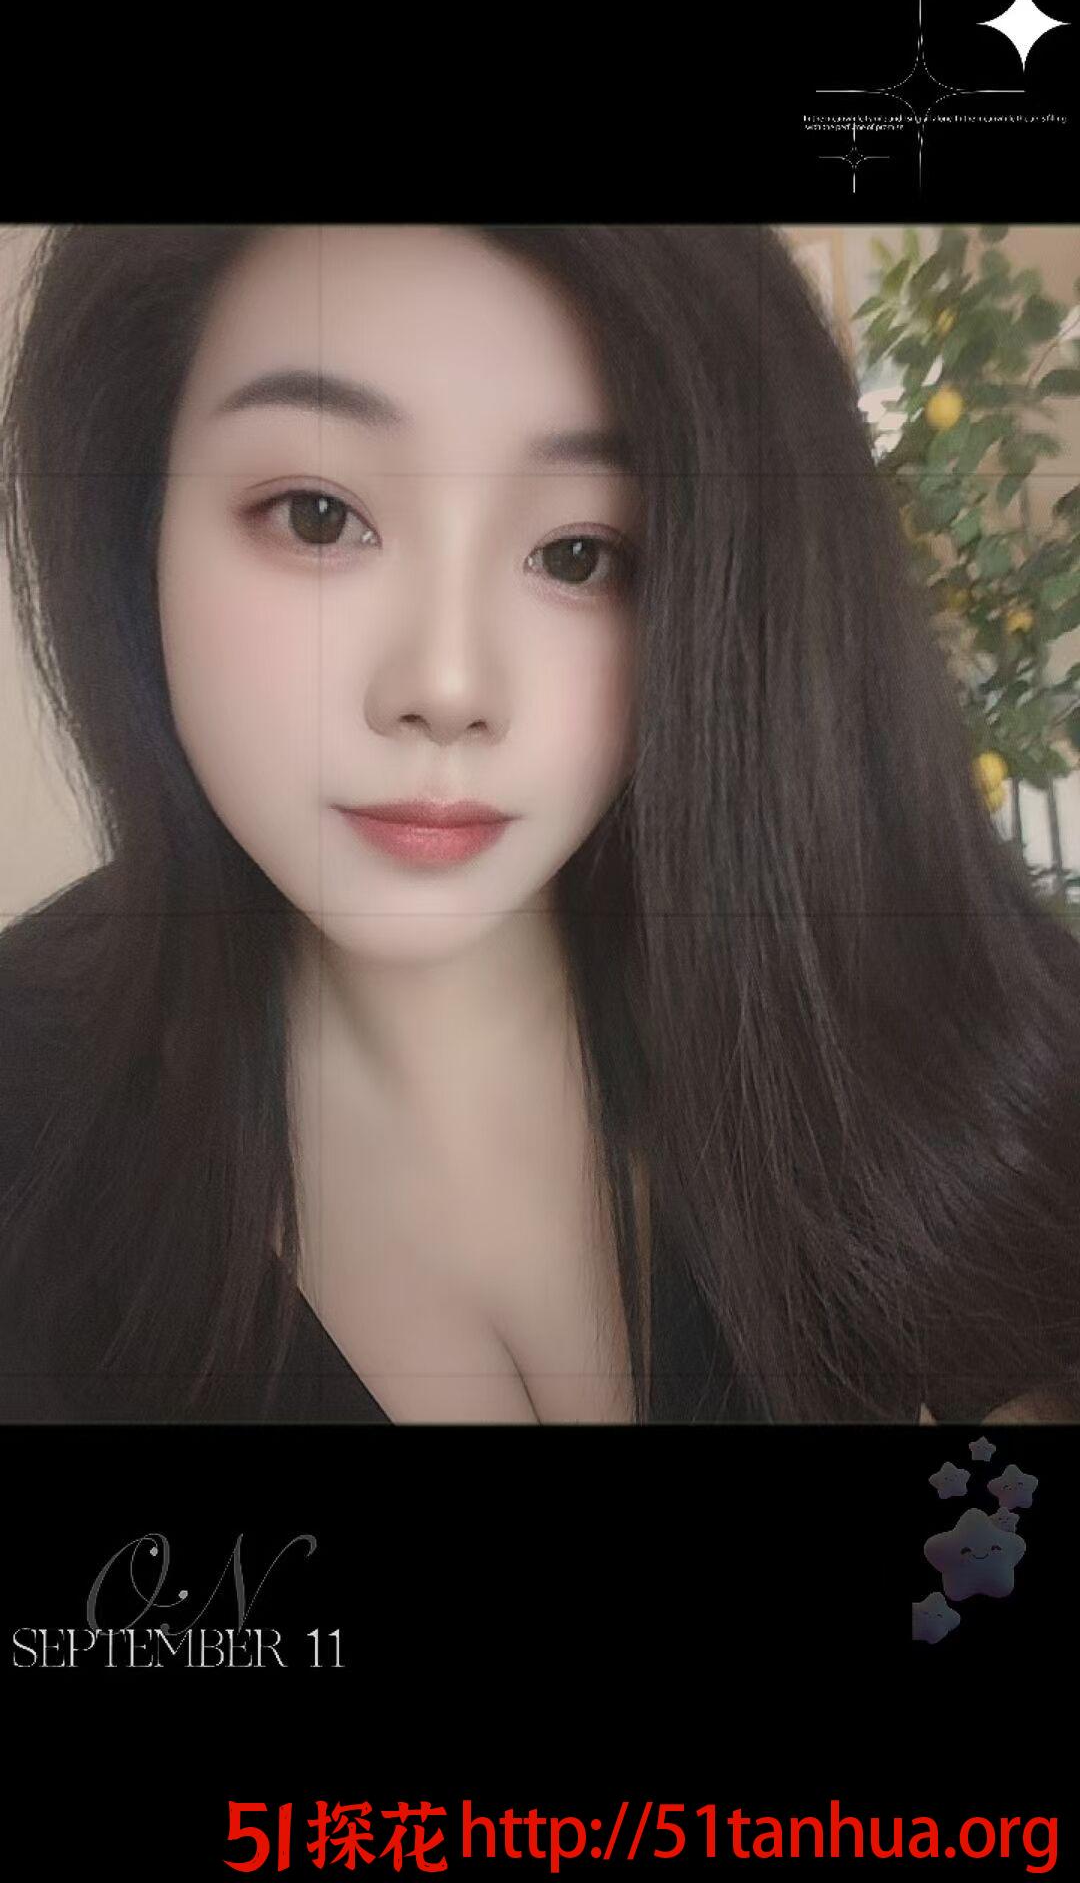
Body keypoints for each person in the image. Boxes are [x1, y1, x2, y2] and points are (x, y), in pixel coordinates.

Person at [1, 222, 1079, 1426]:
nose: (448, 687)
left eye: (578, 554)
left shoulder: (925, 1019)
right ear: (134, 519)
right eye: (316, 516)